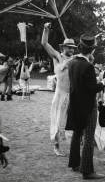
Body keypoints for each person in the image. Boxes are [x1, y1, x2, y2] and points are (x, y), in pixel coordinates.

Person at [66, 34, 105, 180]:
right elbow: (92, 88)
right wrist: (103, 83)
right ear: (92, 50)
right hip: (88, 107)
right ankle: (87, 171)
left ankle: (74, 164)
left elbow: (80, 85)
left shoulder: (71, 63)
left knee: (77, 135)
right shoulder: (88, 66)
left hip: (75, 105)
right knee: (89, 139)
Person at [41, 22, 76, 156]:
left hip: (72, 94)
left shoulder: (75, 59)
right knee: (57, 120)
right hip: (60, 94)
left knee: (72, 120)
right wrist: (46, 29)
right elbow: (44, 44)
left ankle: (77, 142)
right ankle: (56, 146)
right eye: (69, 47)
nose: (72, 50)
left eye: (73, 48)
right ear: (64, 47)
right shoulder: (58, 56)